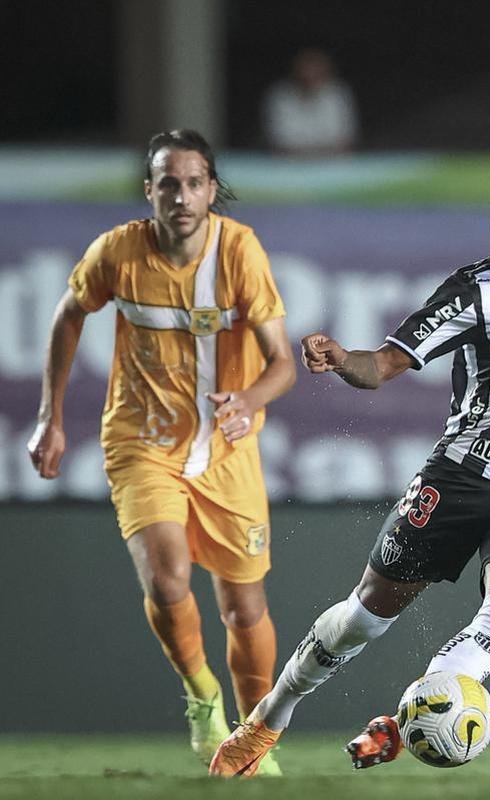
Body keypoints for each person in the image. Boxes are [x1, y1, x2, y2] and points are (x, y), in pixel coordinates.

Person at [209, 151, 490, 777]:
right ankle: (271, 716)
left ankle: (415, 715)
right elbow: (384, 365)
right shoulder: (474, 291)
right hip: (462, 477)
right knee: (363, 618)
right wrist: (343, 358)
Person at [26, 129, 296, 773]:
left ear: (211, 189)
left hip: (227, 452)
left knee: (243, 607)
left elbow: (283, 363)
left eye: (194, 182)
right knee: (168, 575)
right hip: (141, 442)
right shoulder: (118, 252)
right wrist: (50, 418)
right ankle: (203, 698)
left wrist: (249, 400)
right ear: (150, 190)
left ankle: (254, 740)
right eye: (167, 183)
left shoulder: (239, 252)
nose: (181, 196)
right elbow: (69, 313)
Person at [262, 48, 358, 156]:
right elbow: (279, 140)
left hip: (332, 163)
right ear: (295, 71)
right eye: (305, 69)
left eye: (315, 69)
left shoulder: (338, 94)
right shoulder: (280, 95)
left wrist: (311, 150)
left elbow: (343, 139)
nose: (310, 74)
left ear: (326, 71)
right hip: (288, 164)